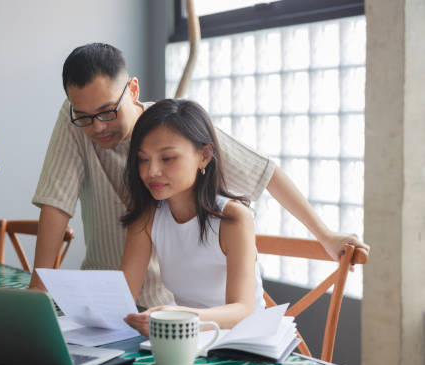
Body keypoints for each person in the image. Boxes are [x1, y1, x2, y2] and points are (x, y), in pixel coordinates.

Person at [30, 43, 369, 308]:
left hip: (172, 305)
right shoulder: (78, 119)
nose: (97, 126)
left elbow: (263, 172)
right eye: (85, 116)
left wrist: (325, 235)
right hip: (112, 298)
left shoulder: (172, 128)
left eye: (107, 111)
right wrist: (39, 285)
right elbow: (56, 200)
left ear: (132, 90)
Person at [121, 98, 263, 336]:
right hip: (186, 338)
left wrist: (180, 318)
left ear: (204, 156)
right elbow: (122, 297)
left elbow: (243, 311)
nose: (151, 171)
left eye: (167, 158)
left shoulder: (234, 219)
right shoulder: (147, 217)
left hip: (245, 343)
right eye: (143, 159)